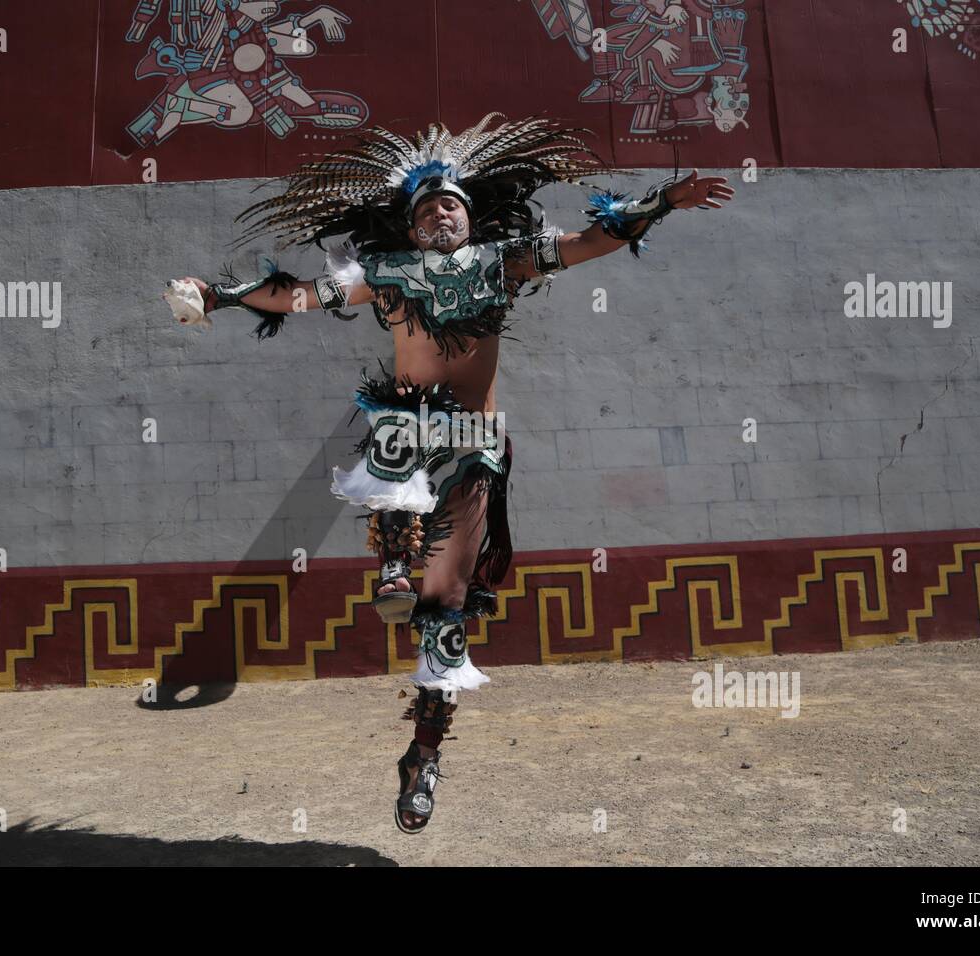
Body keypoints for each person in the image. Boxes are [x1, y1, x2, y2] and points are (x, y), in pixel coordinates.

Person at [176, 112, 733, 833]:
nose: (441, 209)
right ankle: (394, 570)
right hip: (409, 438)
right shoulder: (383, 275)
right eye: (427, 206)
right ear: (409, 227)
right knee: (400, 418)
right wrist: (219, 296)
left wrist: (662, 201)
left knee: (446, 615)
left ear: (470, 216)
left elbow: (591, 239)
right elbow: (299, 296)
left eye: (452, 202)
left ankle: (423, 753)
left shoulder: (505, 260)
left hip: (473, 445)